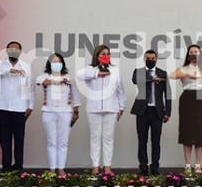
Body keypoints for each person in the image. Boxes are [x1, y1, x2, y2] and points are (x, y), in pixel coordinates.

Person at [77, 45, 126, 175]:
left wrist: (122, 107)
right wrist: (97, 73)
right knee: (95, 137)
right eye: (103, 54)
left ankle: (107, 167)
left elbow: (121, 89)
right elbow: (78, 75)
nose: (106, 56)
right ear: (97, 55)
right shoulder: (90, 69)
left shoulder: (115, 70)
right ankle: (95, 167)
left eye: (108, 54)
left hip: (112, 108)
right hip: (94, 109)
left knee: (108, 138)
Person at [0, 41, 34, 172]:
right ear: (7, 50)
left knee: (19, 140)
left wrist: (30, 105)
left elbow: (30, 87)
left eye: (16, 49)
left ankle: (18, 167)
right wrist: (9, 70)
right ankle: (6, 167)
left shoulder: (26, 66)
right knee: (5, 140)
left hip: (20, 108)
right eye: (11, 49)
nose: (14, 51)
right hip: (3, 108)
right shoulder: (0, 64)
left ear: (20, 52)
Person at [171, 45, 202, 174]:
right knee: (187, 132)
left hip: (201, 96)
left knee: (200, 132)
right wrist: (189, 73)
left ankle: (198, 165)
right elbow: (172, 75)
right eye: (192, 52)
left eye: (197, 51)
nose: (194, 54)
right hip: (187, 97)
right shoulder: (184, 69)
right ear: (188, 54)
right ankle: (188, 165)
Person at [36, 53, 79, 177]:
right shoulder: (43, 76)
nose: (56, 64)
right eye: (53, 62)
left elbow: (75, 94)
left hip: (65, 112)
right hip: (48, 112)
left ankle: (61, 169)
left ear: (62, 63)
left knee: (63, 142)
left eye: (58, 61)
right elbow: (42, 82)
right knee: (51, 142)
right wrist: (58, 81)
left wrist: (76, 111)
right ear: (49, 64)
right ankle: (52, 169)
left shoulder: (69, 78)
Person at [131, 50, 171, 176]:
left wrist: (168, 112)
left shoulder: (163, 73)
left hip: (157, 112)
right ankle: (143, 167)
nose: (150, 60)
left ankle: (155, 167)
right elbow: (135, 80)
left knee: (156, 141)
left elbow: (168, 94)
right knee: (142, 140)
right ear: (144, 58)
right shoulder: (139, 72)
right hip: (142, 111)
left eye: (153, 58)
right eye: (148, 58)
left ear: (157, 59)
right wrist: (152, 79)